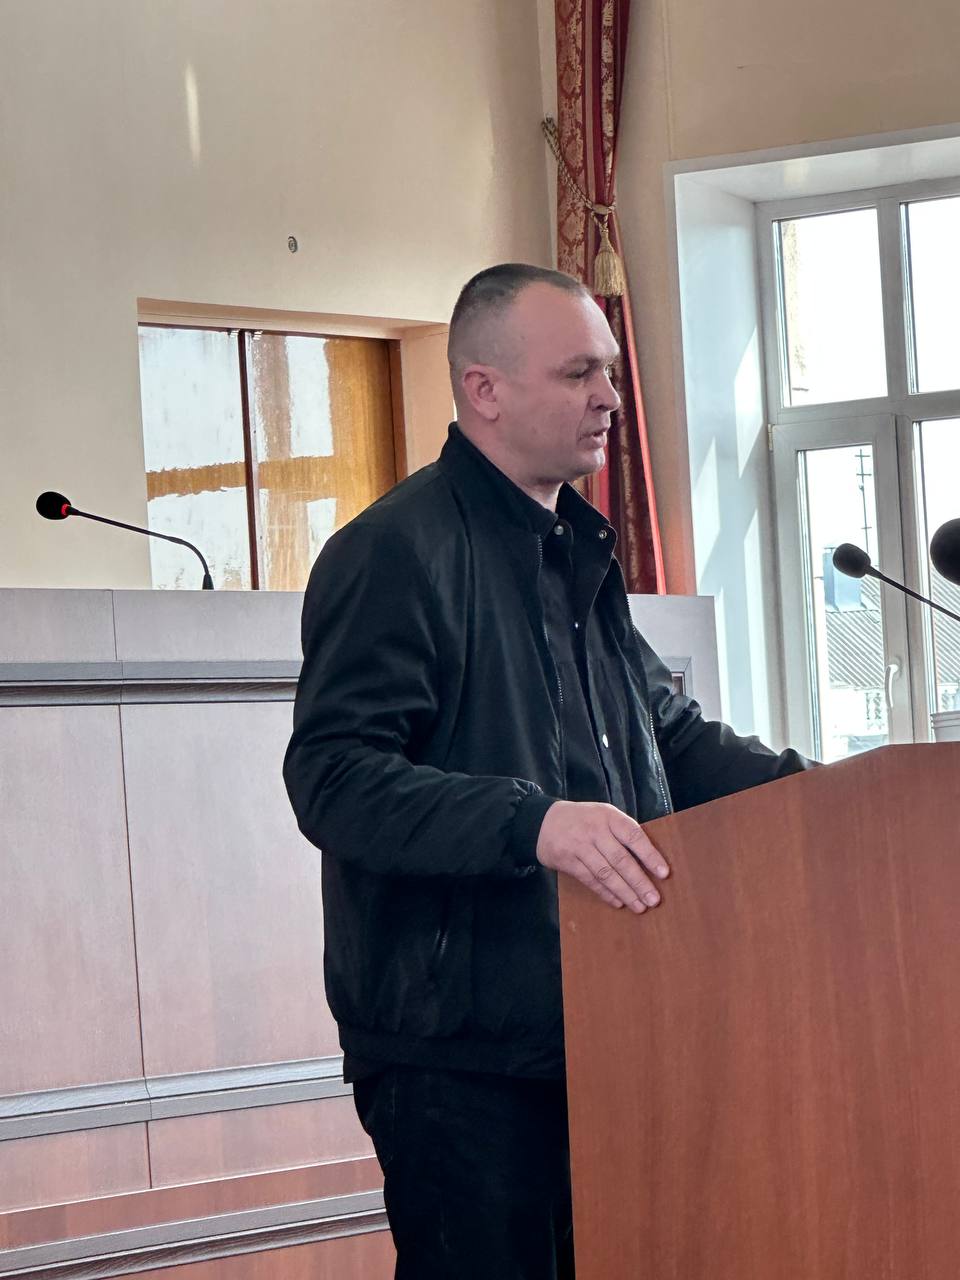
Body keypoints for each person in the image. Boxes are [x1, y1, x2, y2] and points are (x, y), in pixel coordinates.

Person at [283, 262, 811, 1279]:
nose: (611, 396)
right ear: (484, 389)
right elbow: (335, 778)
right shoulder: (396, 552)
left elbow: (670, 738)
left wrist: (832, 793)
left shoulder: (574, 545)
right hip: (460, 1052)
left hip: (614, 1017)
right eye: (580, 373)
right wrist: (533, 822)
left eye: (609, 370)